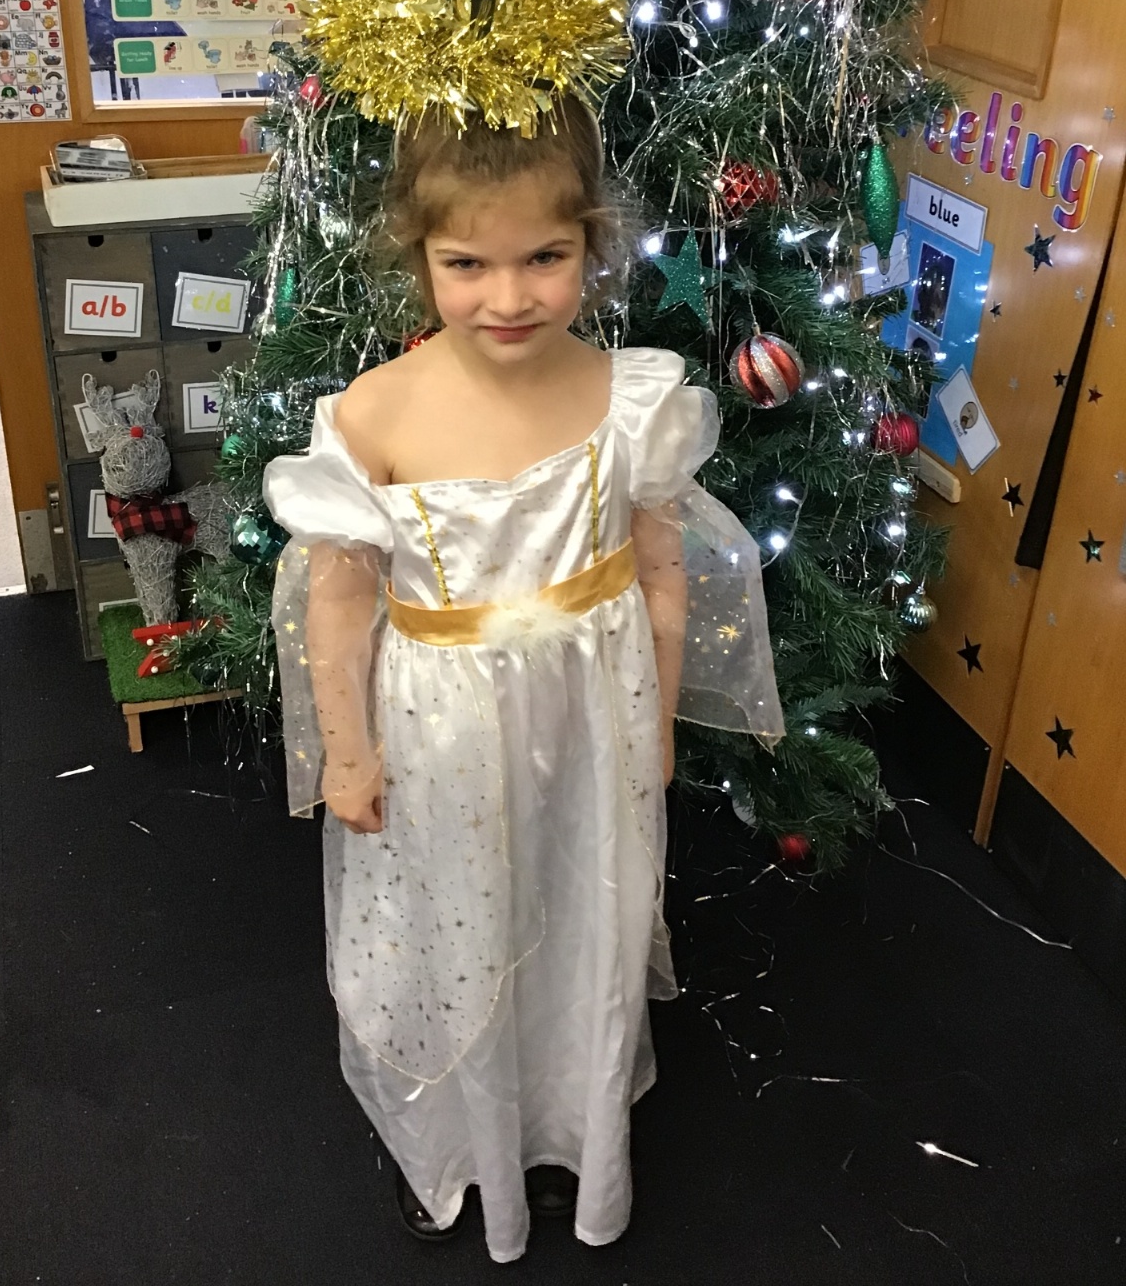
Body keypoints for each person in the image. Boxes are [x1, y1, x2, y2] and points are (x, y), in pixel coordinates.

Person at [263, 100, 783, 1263]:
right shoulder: (376, 413)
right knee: (453, 929)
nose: (509, 297)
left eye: (544, 257)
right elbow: (336, 604)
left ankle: (563, 1129)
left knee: (581, 911)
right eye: (468, 264)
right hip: (443, 733)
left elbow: (660, 572)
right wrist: (347, 748)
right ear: (420, 256)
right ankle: (453, 1144)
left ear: (592, 243)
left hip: (593, 721)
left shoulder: (629, 400)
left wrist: (656, 719)